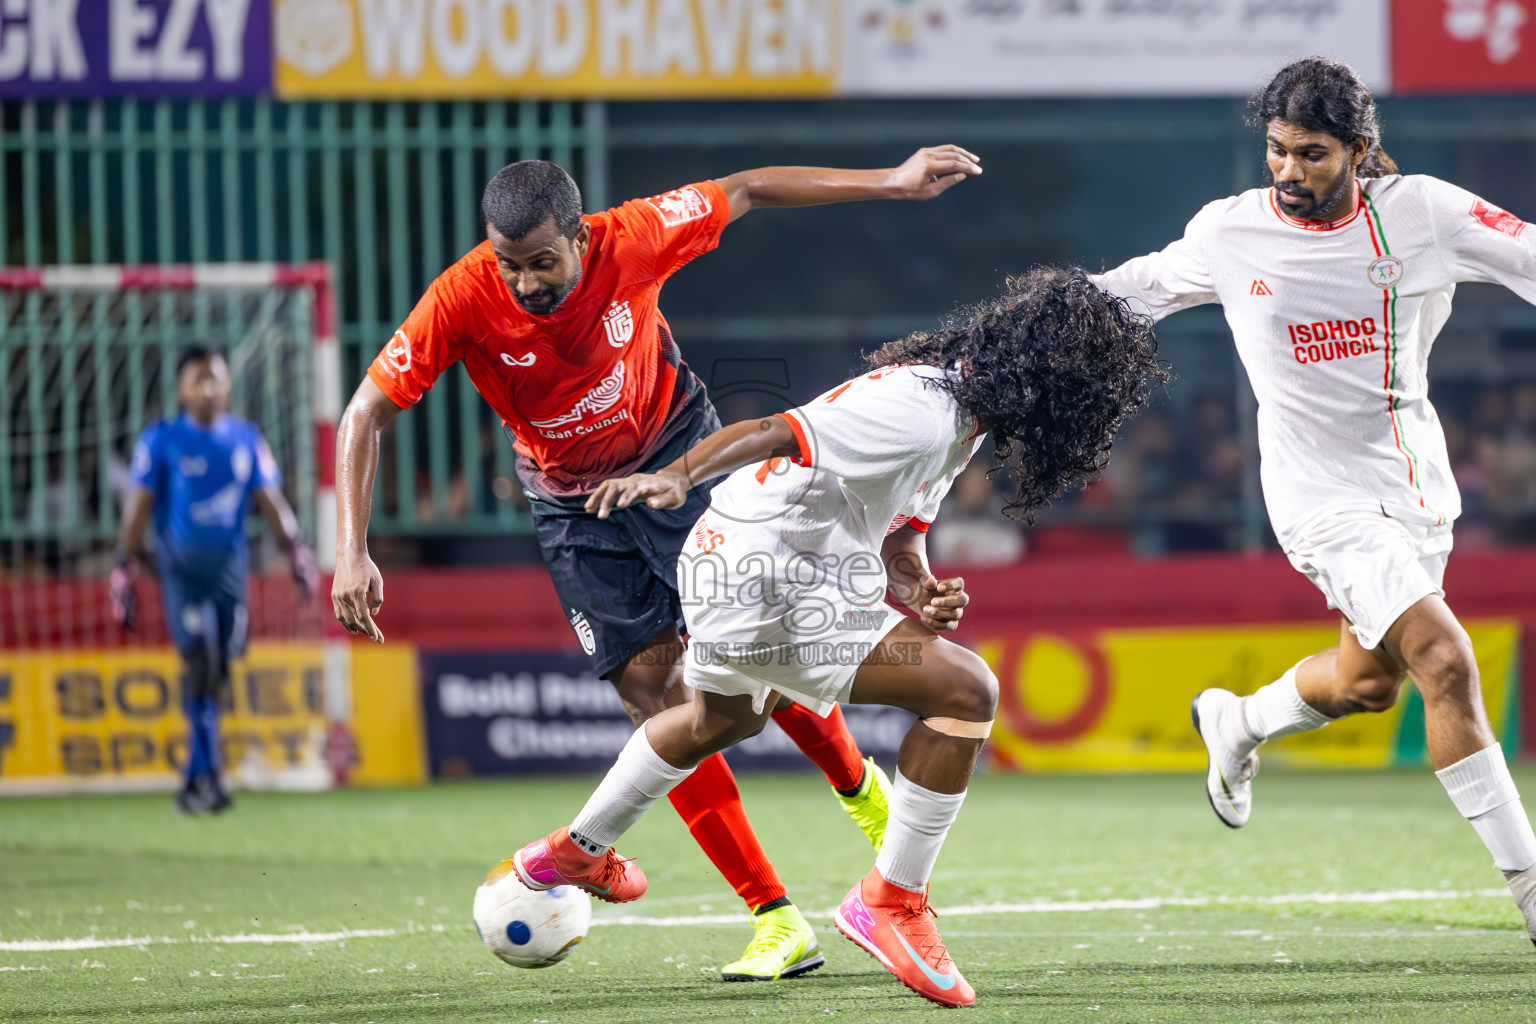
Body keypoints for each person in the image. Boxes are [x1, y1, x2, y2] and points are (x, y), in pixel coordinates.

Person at [330, 149, 984, 980]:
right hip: (571, 507)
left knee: (759, 660)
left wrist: (888, 182)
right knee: (658, 704)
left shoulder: (634, 236)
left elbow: (746, 189)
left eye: (542, 262)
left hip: (680, 463)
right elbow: (364, 412)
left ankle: (862, 793)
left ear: (578, 235)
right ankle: (775, 919)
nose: (525, 282)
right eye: (509, 264)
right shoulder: (463, 296)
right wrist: (350, 548)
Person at [508, 268, 1164, 1007]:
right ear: (1055, 385)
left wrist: (919, 587)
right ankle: (889, 901)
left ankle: (572, 850)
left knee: (720, 720)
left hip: (738, 560)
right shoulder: (922, 408)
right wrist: (675, 475)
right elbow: (775, 431)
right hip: (770, 574)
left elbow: (901, 535)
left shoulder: (961, 411)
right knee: (965, 691)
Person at [1091, 56, 1536, 944]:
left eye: (1312, 155)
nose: (1289, 172)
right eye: (1277, 151)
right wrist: (1000, 341)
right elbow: (1128, 292)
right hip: (1314, 495)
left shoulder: (1426, 214)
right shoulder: (1231, 232)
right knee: (1445, 662)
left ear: (1359, 151)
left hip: (1413, 485)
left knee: (1371, 684)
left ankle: (1237, 721)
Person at [113, 347, 319, 814]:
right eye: (197, 380)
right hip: (181, 571)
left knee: (220, 671)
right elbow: (139, 506)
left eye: (215, 379)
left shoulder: (245, 438)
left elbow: (271, 502)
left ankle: (196, 779)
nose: (208, 388)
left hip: (229, 573)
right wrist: (124, 564)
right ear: (181, 390)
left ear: (227, 385)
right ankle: (205, 777)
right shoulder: (161, 439)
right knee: (200, 662)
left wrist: (297, 555)